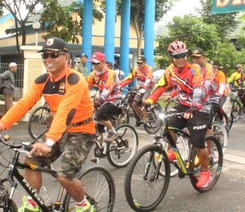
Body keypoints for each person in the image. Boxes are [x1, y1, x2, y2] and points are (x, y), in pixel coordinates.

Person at [0, 37, 95, 212]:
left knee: (64, 177)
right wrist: (2, 124)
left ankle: (84, 205)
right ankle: (33, 203)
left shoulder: (75, 79)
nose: (48, 59)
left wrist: (49, 141)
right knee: (31, 159)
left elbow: (66, 112)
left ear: (66, 58)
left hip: (82, 130)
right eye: (45, 55)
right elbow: (23, 104)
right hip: (59, 129)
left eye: (54, 54)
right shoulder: (42, 81)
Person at [145, 40, 212, 188]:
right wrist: (149, 101)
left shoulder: (195, 69)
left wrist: (193, 108)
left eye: (183, 55)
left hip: (200, 107)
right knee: (169, 123)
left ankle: (206, 172)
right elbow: (161, 86)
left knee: (198, 142)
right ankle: (173, 151)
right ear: (171, 57)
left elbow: (198, 90)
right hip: (183, 105)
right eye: (177, 56)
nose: (181, 59)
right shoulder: (170, 70)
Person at [87, 52, 121, 143]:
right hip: (103, 99)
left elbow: (108, 89)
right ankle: (102, 147)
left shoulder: (111, 73)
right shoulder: (93, 74)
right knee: (97, 122)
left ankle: (113, 132)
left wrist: (99, 100)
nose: (94, 65)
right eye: (93, 63)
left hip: (114, 98)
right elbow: (86, 87)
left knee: (99, 116)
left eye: (97, 63)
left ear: (103, 62)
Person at [117, 56, 155, 125]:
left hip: (149, 87)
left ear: (145, 62)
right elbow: (130, 78)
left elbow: (148, 79)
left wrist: (145, 87)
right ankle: (141, 117)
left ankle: (146, 117)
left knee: (143, 100)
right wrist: (120, 85)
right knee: (134, 104)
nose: (139, 64)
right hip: (141, 88)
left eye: (140, 63)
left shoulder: (149, 69)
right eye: (137, 63)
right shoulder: (136, 70)